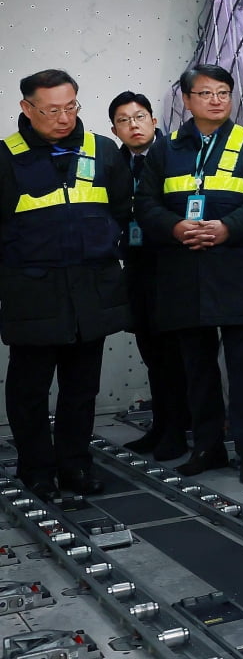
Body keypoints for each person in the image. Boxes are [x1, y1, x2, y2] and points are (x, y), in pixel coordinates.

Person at [0, 69, 133, 498]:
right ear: (27, 108)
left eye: (71, 106)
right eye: (52, 109)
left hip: (90, 293)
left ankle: (76, 465)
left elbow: (122, 212)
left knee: (81, 389)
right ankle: (36, 468)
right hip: (33, 293)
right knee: (30, 390)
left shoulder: (104, 150)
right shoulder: (5, 158)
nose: (63, 117)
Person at [134, 64, 243, 484]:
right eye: (206, 93)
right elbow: (145, 203)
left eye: (223, 93)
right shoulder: (166, 149)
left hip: (236, 271)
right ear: (187, 100)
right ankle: (207, 446)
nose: (216, 100)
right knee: (197, 369)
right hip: (184, 273)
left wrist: (228, 227)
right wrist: (174, 227)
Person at [108, 91, 189, 460]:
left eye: (139, 117)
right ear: (115, 129)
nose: (133, 125)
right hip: (136, 266)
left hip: (174, 265)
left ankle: (177, 430)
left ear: (154, 121)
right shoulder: (114, 162)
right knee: (151, 352)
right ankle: (160, 426)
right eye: (124, 120)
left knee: (175, 354)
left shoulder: (175, 155)